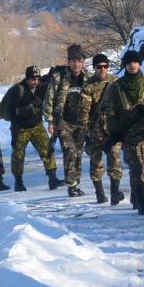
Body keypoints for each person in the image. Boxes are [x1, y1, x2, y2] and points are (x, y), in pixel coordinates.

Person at [103, 49, 144, 213]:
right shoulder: (116, 87)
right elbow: (110, 111)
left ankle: (135, 194)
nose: (132, 65)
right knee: (136, 167)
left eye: (135, 62)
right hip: (127, 134)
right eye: (128, 63)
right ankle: (142, 203)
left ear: (140, 64)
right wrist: (115, 132)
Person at [48, 44, 96, 198]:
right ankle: (71, 186)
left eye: (79, 61)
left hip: (82, 123)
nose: (76, 64)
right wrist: (50, 121)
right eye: (73, 61)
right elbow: (49, 99)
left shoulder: (88, 78)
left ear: (83, 62)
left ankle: (76, 182)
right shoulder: (59, 78)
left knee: (78, 153)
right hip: (63, 122)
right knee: (70, 151)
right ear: (68, 62)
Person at [4, 66, 60, 192]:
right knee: (18, 155)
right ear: (27, 78)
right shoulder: (18, 90)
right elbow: (12, 113)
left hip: (36, 126)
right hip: (20, 128)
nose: (35, 82)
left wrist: (54, 72)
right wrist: (28, 110)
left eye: (37, 79)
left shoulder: (40, 86)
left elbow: (47, 80)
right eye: (33, 79)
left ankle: (52, 178)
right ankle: (18, 182)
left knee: (47, 150)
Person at [84, 53, 125, 206]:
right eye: (99, 67)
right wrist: (85, 131)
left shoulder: (116, 82)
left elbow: (123, 104)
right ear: (94, 68)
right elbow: (84, 111)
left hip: (113, 128)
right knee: (96, 161)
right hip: (95, 129)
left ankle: (115, 193)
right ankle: (100, 193)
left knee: (115, 158)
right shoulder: (88, 85)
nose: (102, 69)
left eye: (105, 66)